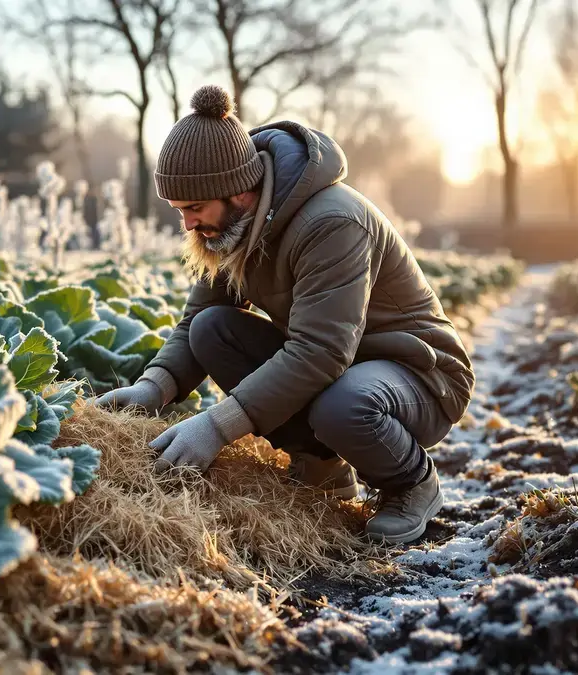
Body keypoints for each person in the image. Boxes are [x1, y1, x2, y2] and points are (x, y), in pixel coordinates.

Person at [93, 84, 475, 545]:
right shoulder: (231, 228)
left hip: (420, 374)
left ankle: (411, 482)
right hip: (345, 369)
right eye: (180, 211)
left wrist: (216, 426)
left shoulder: (332, 222)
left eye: (194, 208)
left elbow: (321, 352)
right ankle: (321, 466)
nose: (188, 224)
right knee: (213, 329)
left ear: (238, 192)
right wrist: (152, 388)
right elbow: (200, 315)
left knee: (345, 405)